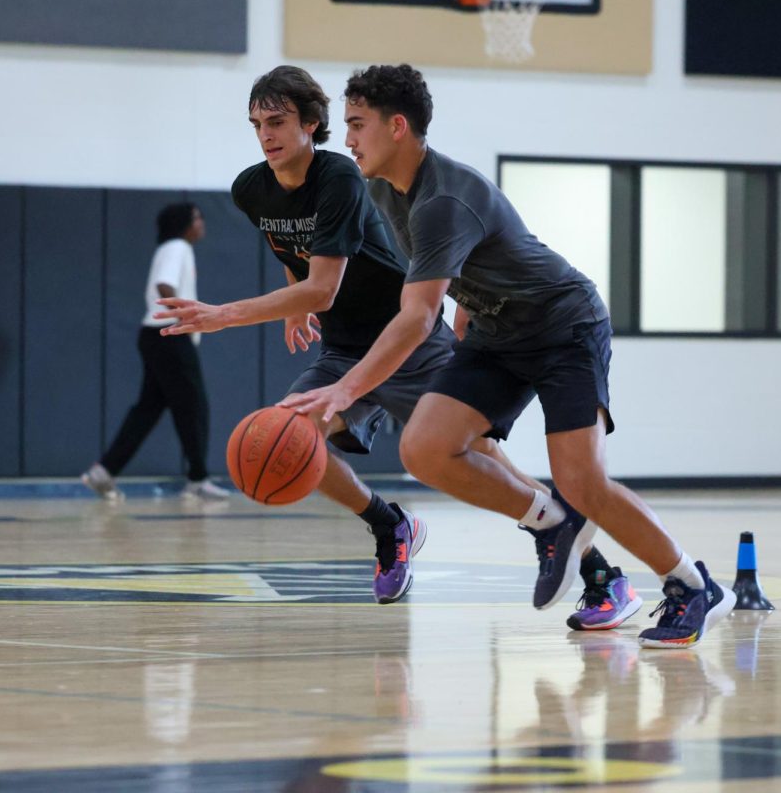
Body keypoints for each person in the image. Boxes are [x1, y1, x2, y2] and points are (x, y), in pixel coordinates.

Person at [282, 64, 731, 647]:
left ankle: (691, 585)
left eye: (356, 124)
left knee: (584, 481)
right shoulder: (381, 189)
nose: (346, 139)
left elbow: (418, 316)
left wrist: (346, 388)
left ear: (397, 127)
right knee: (425, 448)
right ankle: (550, 523)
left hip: (565, 326)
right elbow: (437, 271)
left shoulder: (440, 199)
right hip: (499, 331)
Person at [157, 66, 629, 616]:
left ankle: (600, 574)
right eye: (257, 123)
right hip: (345, 348)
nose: (266, 134)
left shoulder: (343, 178)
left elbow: (325, 288)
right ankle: (389, 525)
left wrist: (224, 314)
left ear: (312, 124)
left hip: (408, 339)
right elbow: (294, 250)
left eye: (279, 121)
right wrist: (293, 300)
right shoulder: (250, 188)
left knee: (480, 454)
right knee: (291, 433)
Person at [81, 203, 231, 502]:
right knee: (193, 406)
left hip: (156, 337)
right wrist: (184, 317)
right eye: (198, 217)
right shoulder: (177, 247)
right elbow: (165, 285)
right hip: (169, 337)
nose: (202, 223)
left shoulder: (171, 248)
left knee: (148, 409)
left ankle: (104, 471)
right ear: (184, 223)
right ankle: (198, 479)